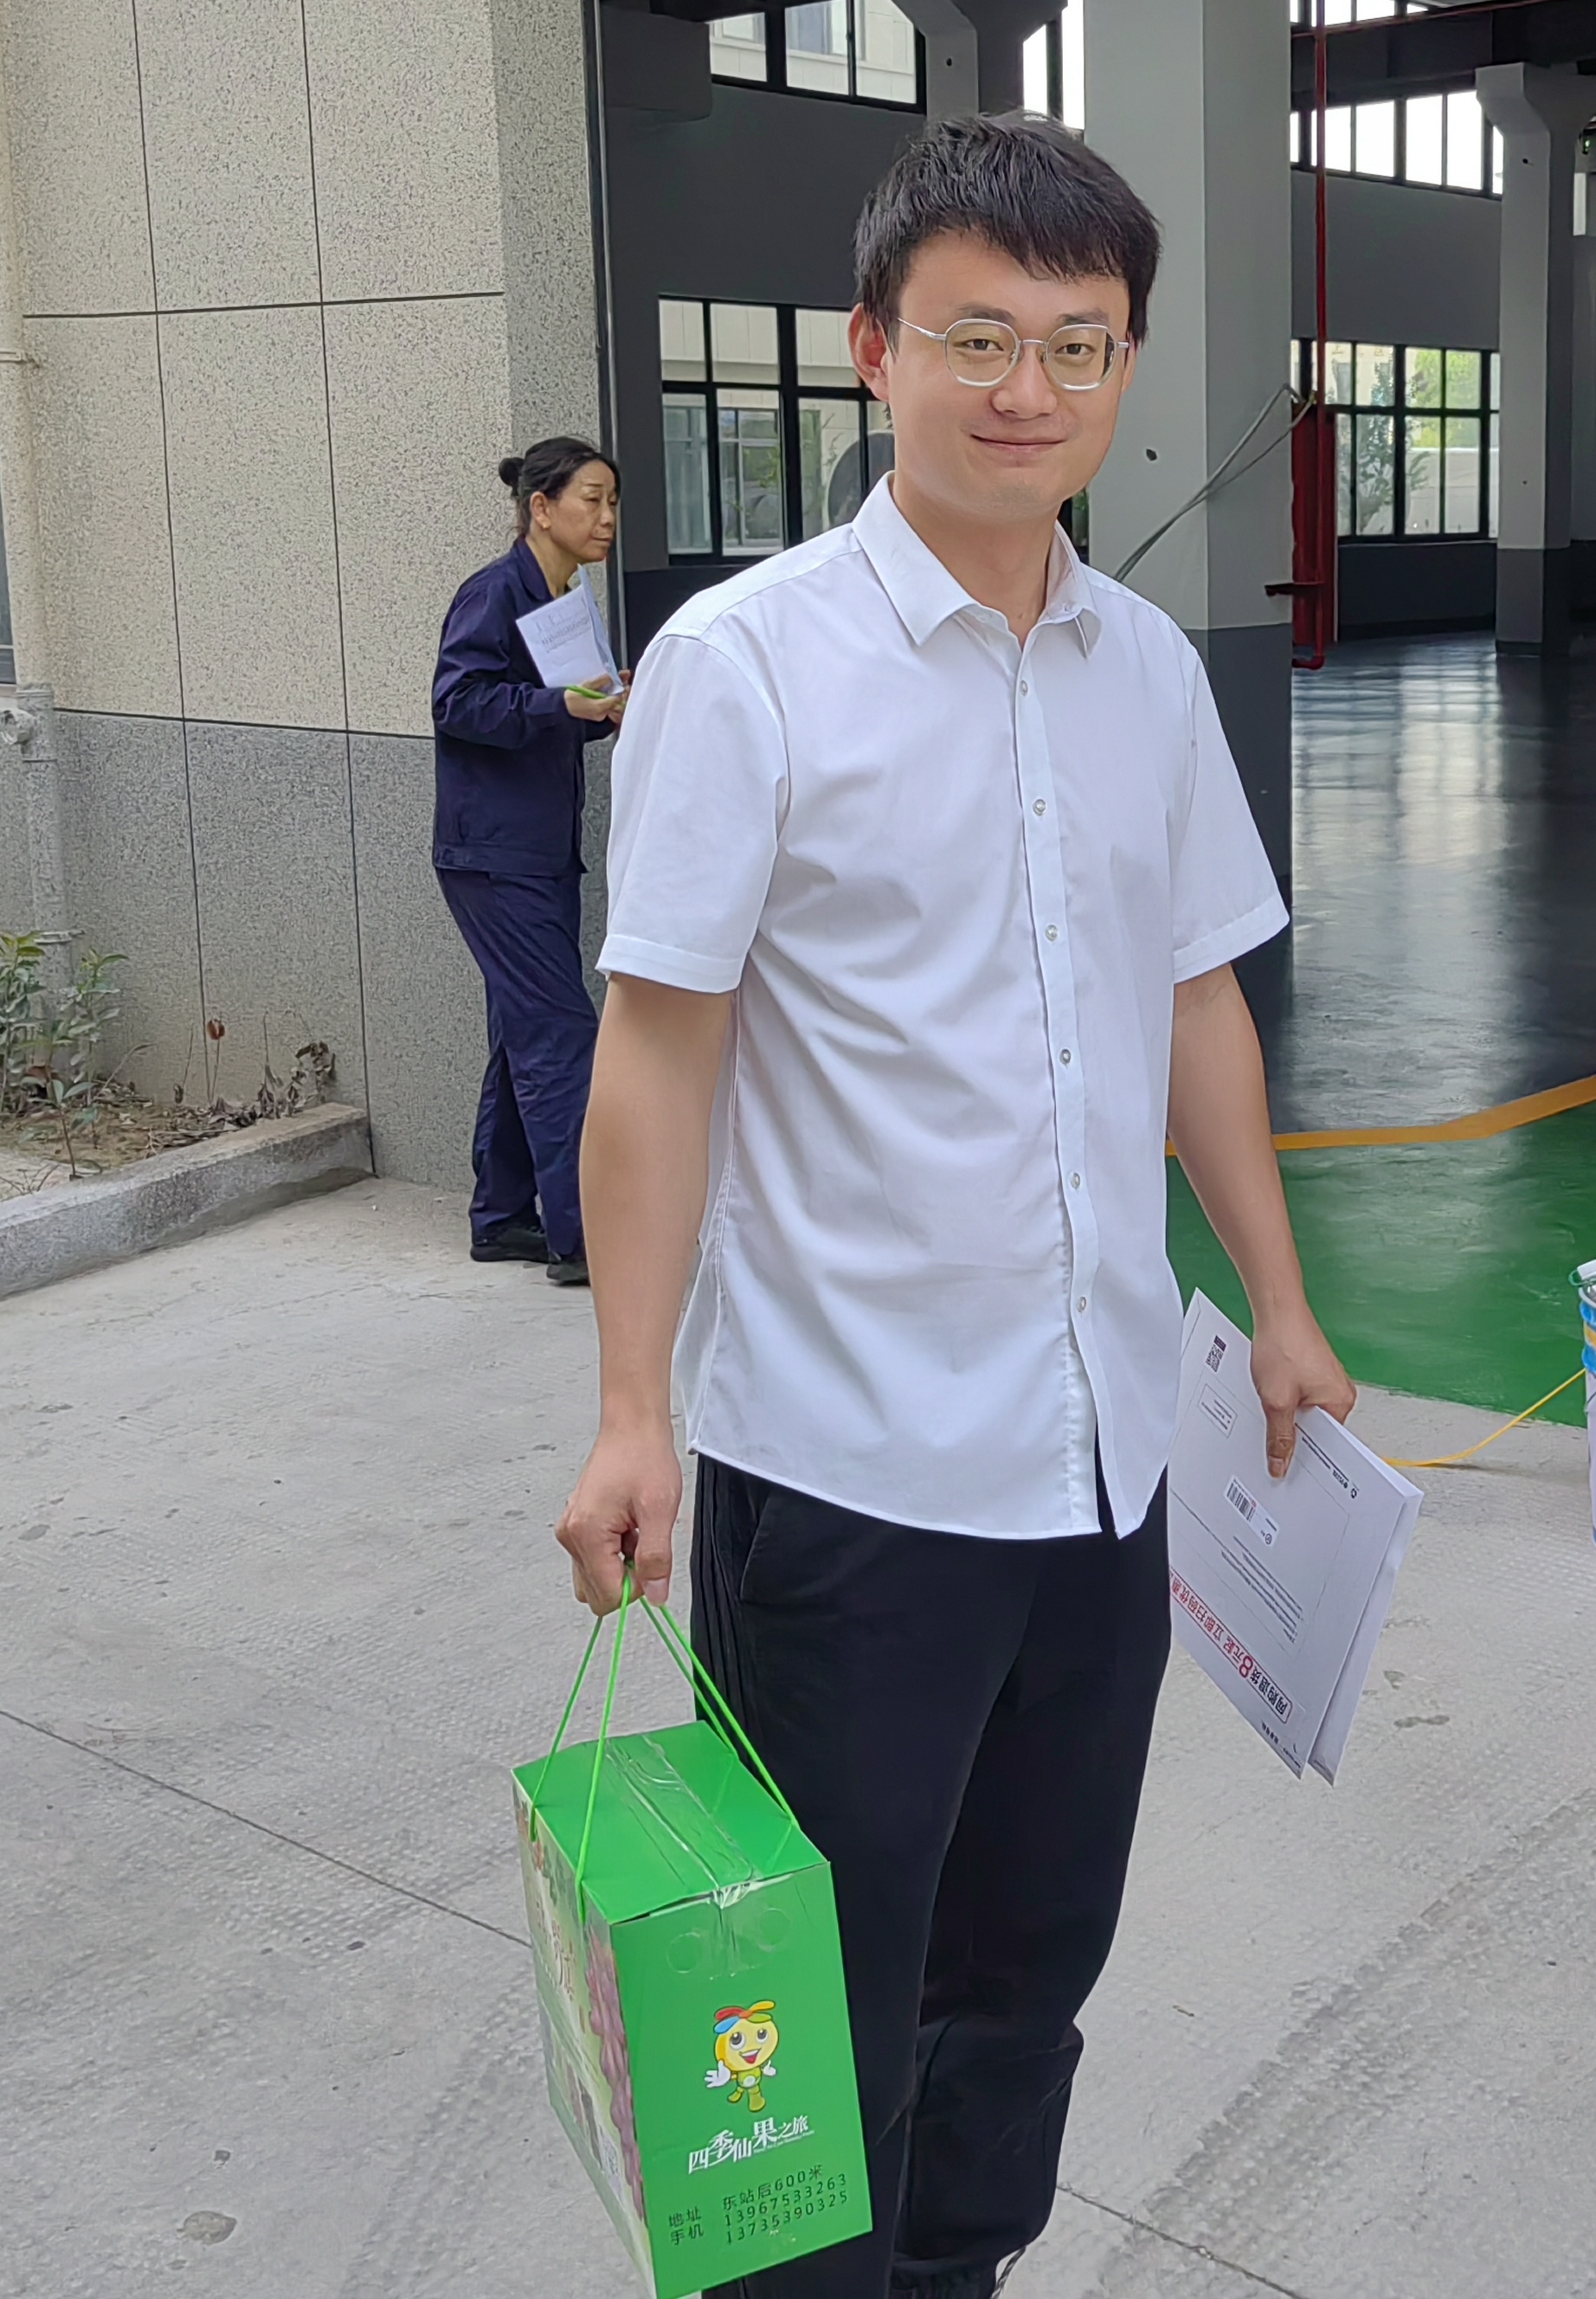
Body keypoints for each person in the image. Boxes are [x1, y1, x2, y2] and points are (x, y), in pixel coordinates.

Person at [557, 113, 1355, 2299]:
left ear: (1125, 366)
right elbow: (658, 1054)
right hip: (851, 1477)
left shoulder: (1148, 668)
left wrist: (1276, 1298)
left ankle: (961, 2270)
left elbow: (1192, 996)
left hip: (1101, 1464)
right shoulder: (749, 661)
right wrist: (631, 1406)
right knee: (805, 1997)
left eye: (1076, 344)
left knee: (1024, 1968)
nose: (1027, 388)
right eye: (976, 336)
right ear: (872, 349)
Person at [432, 437, 627, 1288]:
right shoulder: (494, 591)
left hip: (538, 850)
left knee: (525, 1034)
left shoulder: (563, 598)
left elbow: (548, 716)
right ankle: (581, 1236)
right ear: (540, 508)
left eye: (612, 502)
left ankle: (502, 1217)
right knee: (560, 1037)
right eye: (591, 499)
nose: (607, 518)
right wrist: (559, 705)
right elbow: (457, 702)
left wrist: (597, 708)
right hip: (493, 854)